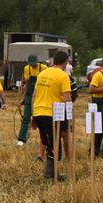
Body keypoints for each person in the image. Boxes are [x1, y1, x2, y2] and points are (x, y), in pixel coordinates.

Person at [29, 49, 73, 181]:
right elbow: (67, 99)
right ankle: (49, 176)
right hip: (51, 114)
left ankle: (54, 174)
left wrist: (33, 115)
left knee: (49, 143)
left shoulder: (42, 73)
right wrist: (70, 119)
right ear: (66, 62)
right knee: (54, 147)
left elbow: (34, 96)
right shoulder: (63, 76)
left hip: (39, 112)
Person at [16, 58, 38, 146]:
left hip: (39, 96)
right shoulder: (27, 69)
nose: (33, 65)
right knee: (26, 118)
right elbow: (27, 84)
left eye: (34, 63)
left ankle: (46, 139)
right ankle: (21, 139)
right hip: (29, 95)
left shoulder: (43, 68)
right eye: (31, 64)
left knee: (42, 119)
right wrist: (23, 98)